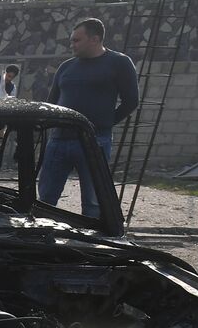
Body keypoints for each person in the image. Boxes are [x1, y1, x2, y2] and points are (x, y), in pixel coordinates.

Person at [40, 18, 139, 217]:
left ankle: (88, 242)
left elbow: (131, 101)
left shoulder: (119, 63)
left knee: (93, 202)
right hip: (58, 141)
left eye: (77, 40)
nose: (72, 45)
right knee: (45, 200)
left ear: (94, 39)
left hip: (94, 142)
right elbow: (51, 102)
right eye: (72, 40)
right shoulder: (66, 67)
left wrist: (103, 124)